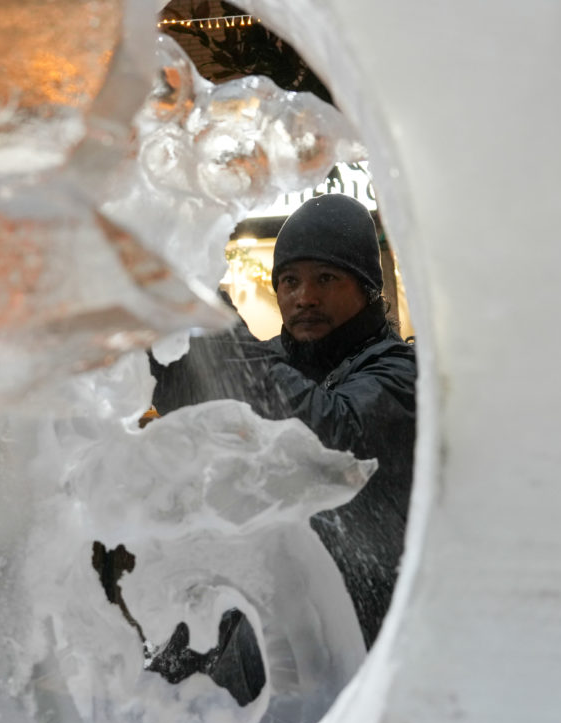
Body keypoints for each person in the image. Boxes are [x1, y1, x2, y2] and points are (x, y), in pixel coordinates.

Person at [151, 193, 417, 647]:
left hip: (358, 630)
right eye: (290, 280)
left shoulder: (399, 373)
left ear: (367, 288)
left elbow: (331, 436)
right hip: (257, 604)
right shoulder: (273, 356)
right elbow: (206, 406)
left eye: (326, 278)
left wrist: (214, 327)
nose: (304, 297)